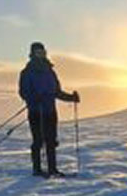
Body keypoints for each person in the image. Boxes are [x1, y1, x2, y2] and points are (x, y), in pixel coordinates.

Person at [18, 42, 80, 177]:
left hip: (50, 111)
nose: (40, 53)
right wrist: (35, 98)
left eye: (42, 51)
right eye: (37, 51)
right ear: (32, 53)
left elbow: (56, 92)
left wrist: (71, 98)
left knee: (51, 140)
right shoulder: (27, 72)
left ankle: (52, 169)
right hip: (36, 111)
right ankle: (37, 169)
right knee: (38, 140)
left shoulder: (50, 71)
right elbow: (23, 92)